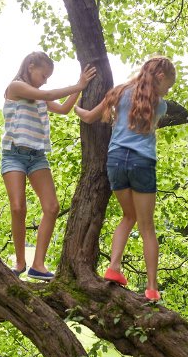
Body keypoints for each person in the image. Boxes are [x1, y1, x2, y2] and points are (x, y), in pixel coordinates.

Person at [74, 57, 176, 301]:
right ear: (161, 77)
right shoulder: (160, 105)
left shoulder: (119, 92)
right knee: (147, 226)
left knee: (128, 216)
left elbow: (88, 116)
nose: (168, 91)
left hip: (116, 161)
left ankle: (114, 268)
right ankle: (151, 288)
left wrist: (76, 107)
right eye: (169, 86)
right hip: (142, 163)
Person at [2, 51, 96, 280]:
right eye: (44, 75)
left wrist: (82, 88)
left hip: (37, 156)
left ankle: (38, 265)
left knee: (52, 207)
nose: (45, 80)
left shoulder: (40, 97)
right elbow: (49, 93)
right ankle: (20, 262)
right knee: (17, 208)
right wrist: (78, 84)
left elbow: (63, 109)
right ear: (31, 66)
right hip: (14, 154)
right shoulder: (16, 87)